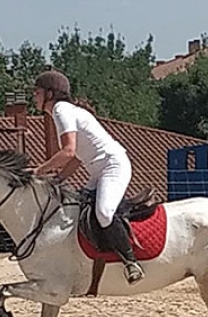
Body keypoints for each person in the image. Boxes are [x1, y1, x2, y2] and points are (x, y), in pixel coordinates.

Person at [32, 69, 144, 284]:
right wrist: (58, 179)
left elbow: (68, 152)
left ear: (49, 94)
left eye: (37, 92)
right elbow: (76, 158)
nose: (34, 97)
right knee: (78, 206)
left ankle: (131, 262)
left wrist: (39, 171)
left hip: (113, 166)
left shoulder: (61, 111)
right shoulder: (64, 111)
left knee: (103, 213)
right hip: (99, 171)